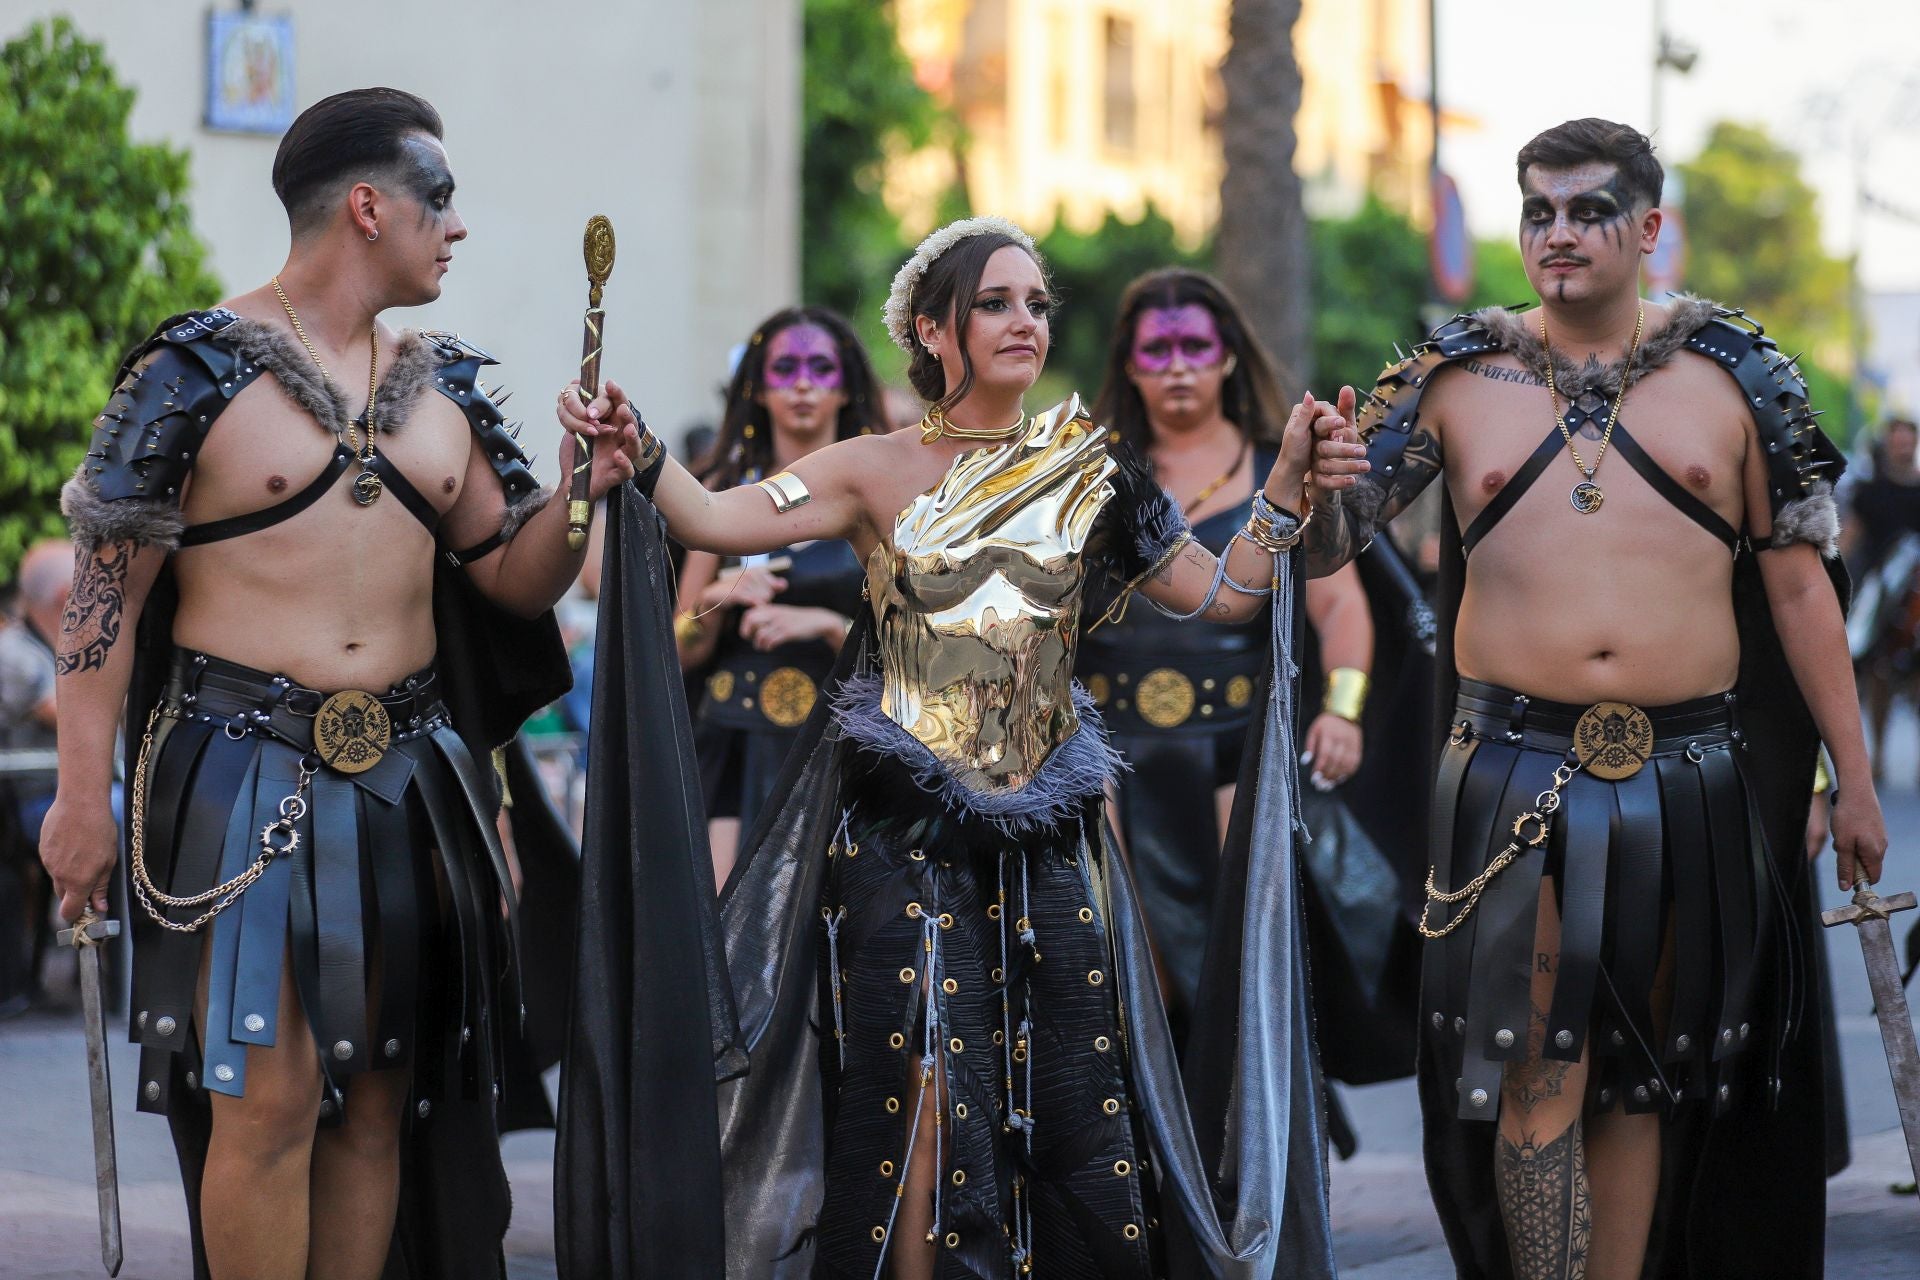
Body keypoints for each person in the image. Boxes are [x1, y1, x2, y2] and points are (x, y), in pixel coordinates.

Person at [557, 217, 1339, 1279]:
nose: (1025, 320)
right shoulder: (869, 465)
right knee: (916, 1099)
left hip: (1055, 841)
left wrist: (1286, 485)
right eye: (994, 302)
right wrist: (637, 447)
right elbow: (713, 515)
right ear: (932, 327)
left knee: (1065, 1104)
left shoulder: (1092, 470)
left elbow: (1224, 593)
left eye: (1035, 302)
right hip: (898, 837)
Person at [40, 87, 632, 1280]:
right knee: (267, 1098)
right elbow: (104, 607)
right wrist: (76, 799)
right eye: (441, 200)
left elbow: (515, 579)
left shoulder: (445, 387)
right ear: (368, 206)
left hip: (407, 780)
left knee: (379, 1093)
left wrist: (579, 489)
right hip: (237, 770)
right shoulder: (191, 369)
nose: (457, 228)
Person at [1304, 118, 1886, 1279]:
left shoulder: (1740, 374)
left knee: (1642, 1068)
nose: (1557, 234)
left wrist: (1851, 776)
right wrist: (1302, 482)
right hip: (1514, 767)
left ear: (1649, 228)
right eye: (1538, 211)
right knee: (1537, 1060)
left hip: (1692, 771)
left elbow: (1800, 592)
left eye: (1588, 210)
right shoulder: (1451, 376)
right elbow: (1333, 543)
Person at [1079, 269, 1424, 1088]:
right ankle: (1153, 1187)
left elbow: (1341, 609)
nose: (1177, 366)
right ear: (1129, 363)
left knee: (1250, 972)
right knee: (1130, 969)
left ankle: (1256, 1171)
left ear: (1228, 357)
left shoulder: (1281, 469)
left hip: (1239, 749)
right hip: (1111, 756)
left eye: (1195, 346)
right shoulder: (1091, 474)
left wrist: (1341, 711)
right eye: (1156, 349)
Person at [673, 307, 882, 887]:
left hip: (842, 744)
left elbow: (913, 645)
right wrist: (720, 593)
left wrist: (825, 624)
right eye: (784, 368)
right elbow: (680, 647)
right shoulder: (718, 492)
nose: (803, 384)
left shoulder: (877, 494)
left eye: (821, 368)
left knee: (831, 944)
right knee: (728, 937)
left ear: (846, 386)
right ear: (759, 389)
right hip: (731, 744)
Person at [0, 539, 73, 1013]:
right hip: (31, 799)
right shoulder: (15, 654)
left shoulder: (43, 646)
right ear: (69, 596)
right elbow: (69, 716)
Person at [1842, 416, 1920, 781]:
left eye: (1908, 440)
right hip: (1881, 596)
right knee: (1879, 675)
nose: (1903, 446)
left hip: (1916, 599)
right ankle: (1879, 754)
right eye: (1897, 440)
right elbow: (1850, 537)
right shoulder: (1869, 490)